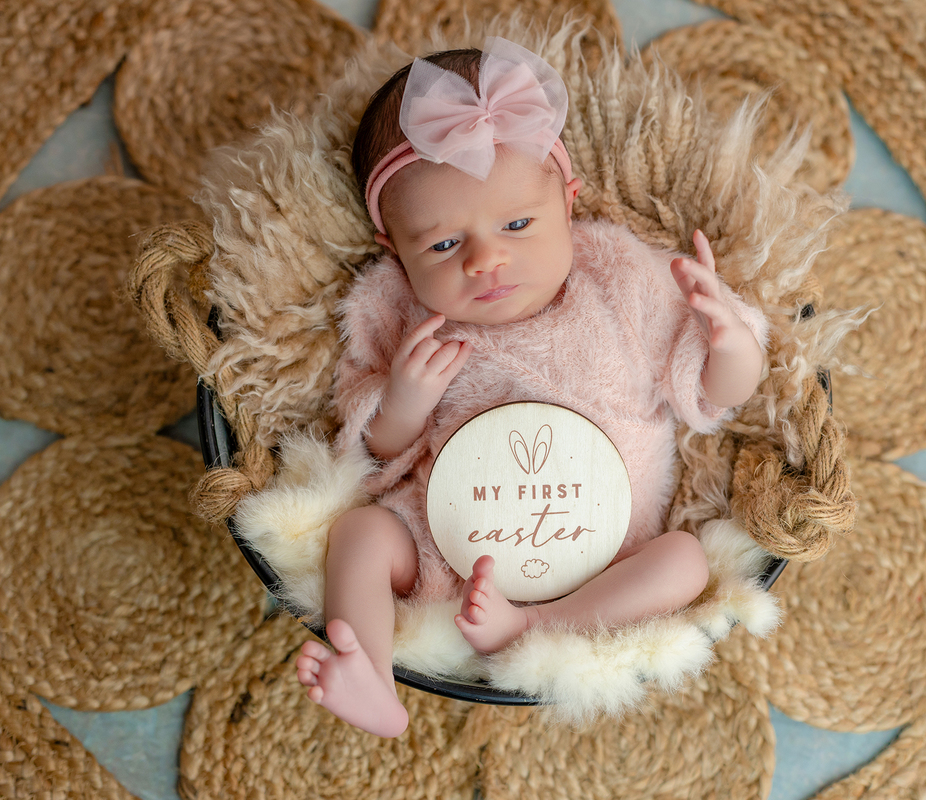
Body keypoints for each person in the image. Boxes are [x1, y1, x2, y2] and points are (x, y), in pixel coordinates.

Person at [294, 37, 767, 738]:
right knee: (361, 536)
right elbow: (370, 453)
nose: (487, 260)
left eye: (517, 224)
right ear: (393, 248)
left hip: (605, 551)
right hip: (445, 537)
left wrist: (730, 341)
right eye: (444, 245)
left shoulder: (622, 277)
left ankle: (536, 624)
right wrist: (403, 402)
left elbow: (716, 393)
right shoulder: (396, 311)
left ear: (569, 204)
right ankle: (368, 675)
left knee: (685, 562)